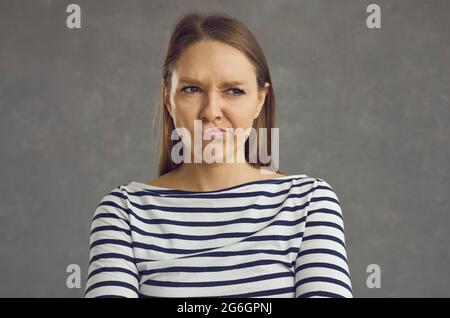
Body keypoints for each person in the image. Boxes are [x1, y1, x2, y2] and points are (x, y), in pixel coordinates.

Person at [84, 11, 353, 298]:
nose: (212, 111)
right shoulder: (123, 213)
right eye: (191, 89)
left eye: (234, 91)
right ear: (168, 98)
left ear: (260, 100)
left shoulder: (308, 204)